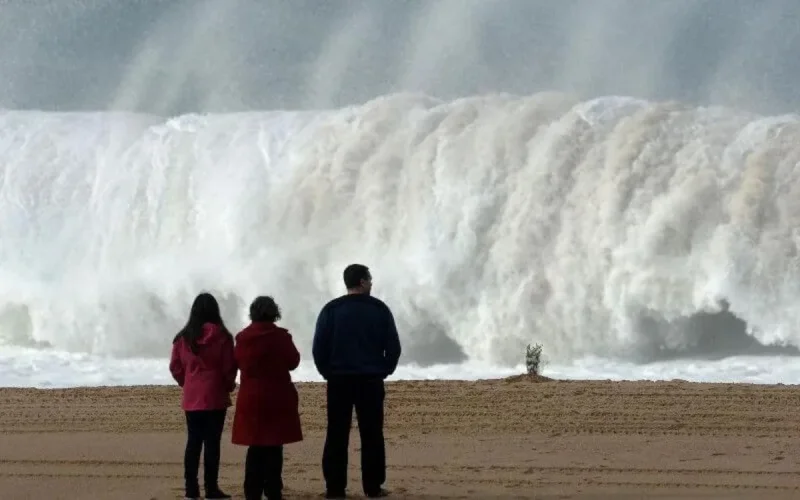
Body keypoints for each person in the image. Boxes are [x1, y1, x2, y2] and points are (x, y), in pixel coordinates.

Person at [312, 263, 402, 499]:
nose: (371, 283)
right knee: (372, 434)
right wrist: (384, 370)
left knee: (336, 434)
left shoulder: (331, 310)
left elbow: (319, 348)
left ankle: (334, 488)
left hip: (339, 380)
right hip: (370, 380)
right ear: (362, 282)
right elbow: (393, 347)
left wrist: (327, 372)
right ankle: (372, 487)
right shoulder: (380, 309)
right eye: (369, 279)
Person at [231, 296, 303, 500]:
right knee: (274, 445)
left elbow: (237, 361)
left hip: (251, 397)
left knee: (255, 446)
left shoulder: (243, 338)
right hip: (277, 396)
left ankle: (251, 491)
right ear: (274, 313)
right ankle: (273, 490)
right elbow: (293, 361)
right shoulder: (280, 337)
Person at [169, 292, 237, 500]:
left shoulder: (183, 338)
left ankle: (191, 490)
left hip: (192, 397)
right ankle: (211, 488)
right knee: (212, 444)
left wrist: (186, 382)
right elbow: (229, 367)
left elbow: (175, 367)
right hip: (215, 396)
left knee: (193, 443)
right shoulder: (223, 337)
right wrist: (228, 385)